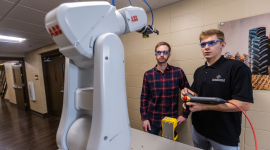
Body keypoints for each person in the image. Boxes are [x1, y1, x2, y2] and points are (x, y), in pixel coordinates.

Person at [181, 29, 253, 150]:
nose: (207, 47)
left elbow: (245, 104)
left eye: (212, 43)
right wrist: (188, 94)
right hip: (199, 130)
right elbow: (196, 93)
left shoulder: (237, 68)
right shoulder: (199, 71)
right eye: (203, 44)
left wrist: (204, 107)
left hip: (224, 135)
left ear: (222, 45)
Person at [140, 41, 190, 135]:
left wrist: (185, 114)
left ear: (169, 55)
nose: (162, 55)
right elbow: (144, 98)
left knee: (168, 147)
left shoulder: (178, 72)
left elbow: (188, 95)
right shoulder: (148, 74)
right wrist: (144, 118)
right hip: (152, 120)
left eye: (165, 52)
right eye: (159, 52)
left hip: (170, 120)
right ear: (155, 54)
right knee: (150, 146)